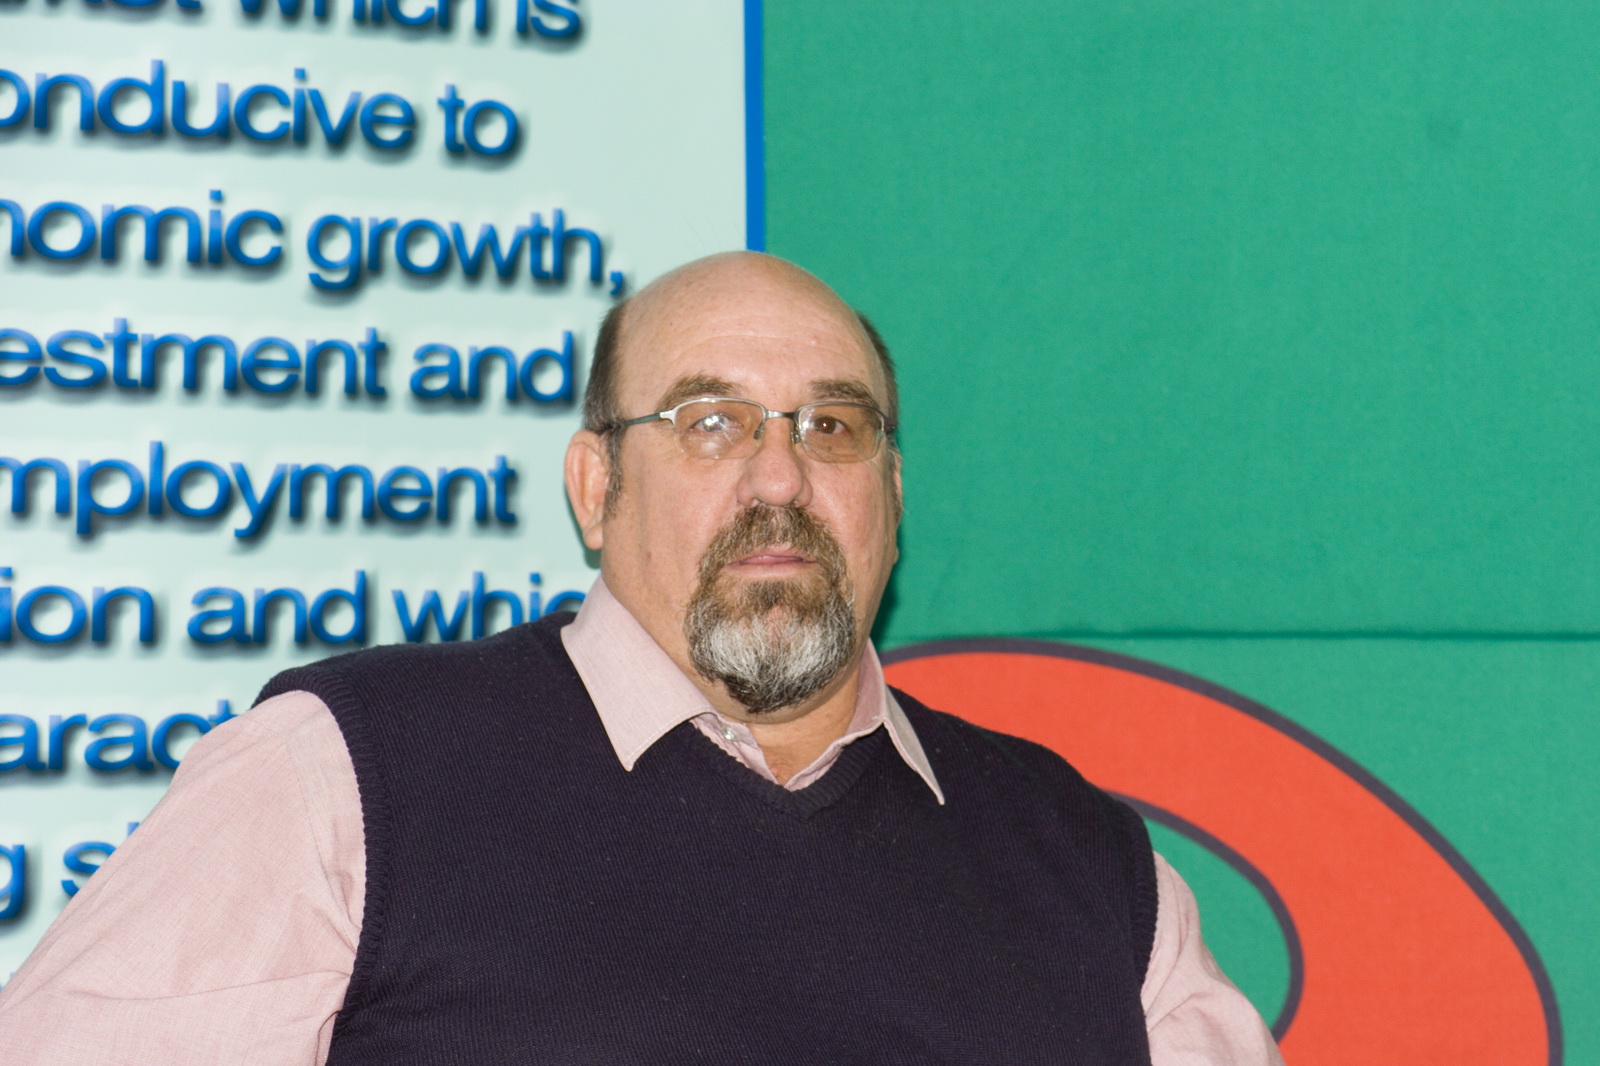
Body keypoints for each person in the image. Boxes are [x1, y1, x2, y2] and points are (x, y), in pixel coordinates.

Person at [0, 252, 1283, 1065]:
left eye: (832, 428)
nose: (779, 476)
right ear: (595, 485)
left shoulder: (1082, 862)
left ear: (892, 501)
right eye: (710, 422)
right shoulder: (346, 777)